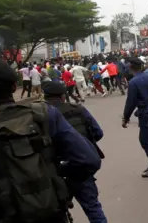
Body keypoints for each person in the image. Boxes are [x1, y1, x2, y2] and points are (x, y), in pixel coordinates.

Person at [0, 57, 101, 223]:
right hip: (52, 214)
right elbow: (89, 159)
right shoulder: (45, 113)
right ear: (14, 86)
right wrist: (52, 172)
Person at [42, 81, 108, 223]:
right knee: (93, 208)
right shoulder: (78, 109)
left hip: (55, 172)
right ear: (63, 97)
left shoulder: (41, 116)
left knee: (56, 213)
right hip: (80, 168)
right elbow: (98, 133)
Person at [122, 57, 148, 178]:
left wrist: (126, 117)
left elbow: (131, 102)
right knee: (147, 138)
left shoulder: (134, 82)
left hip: (145, 112)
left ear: (130, 68)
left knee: (146, 140)